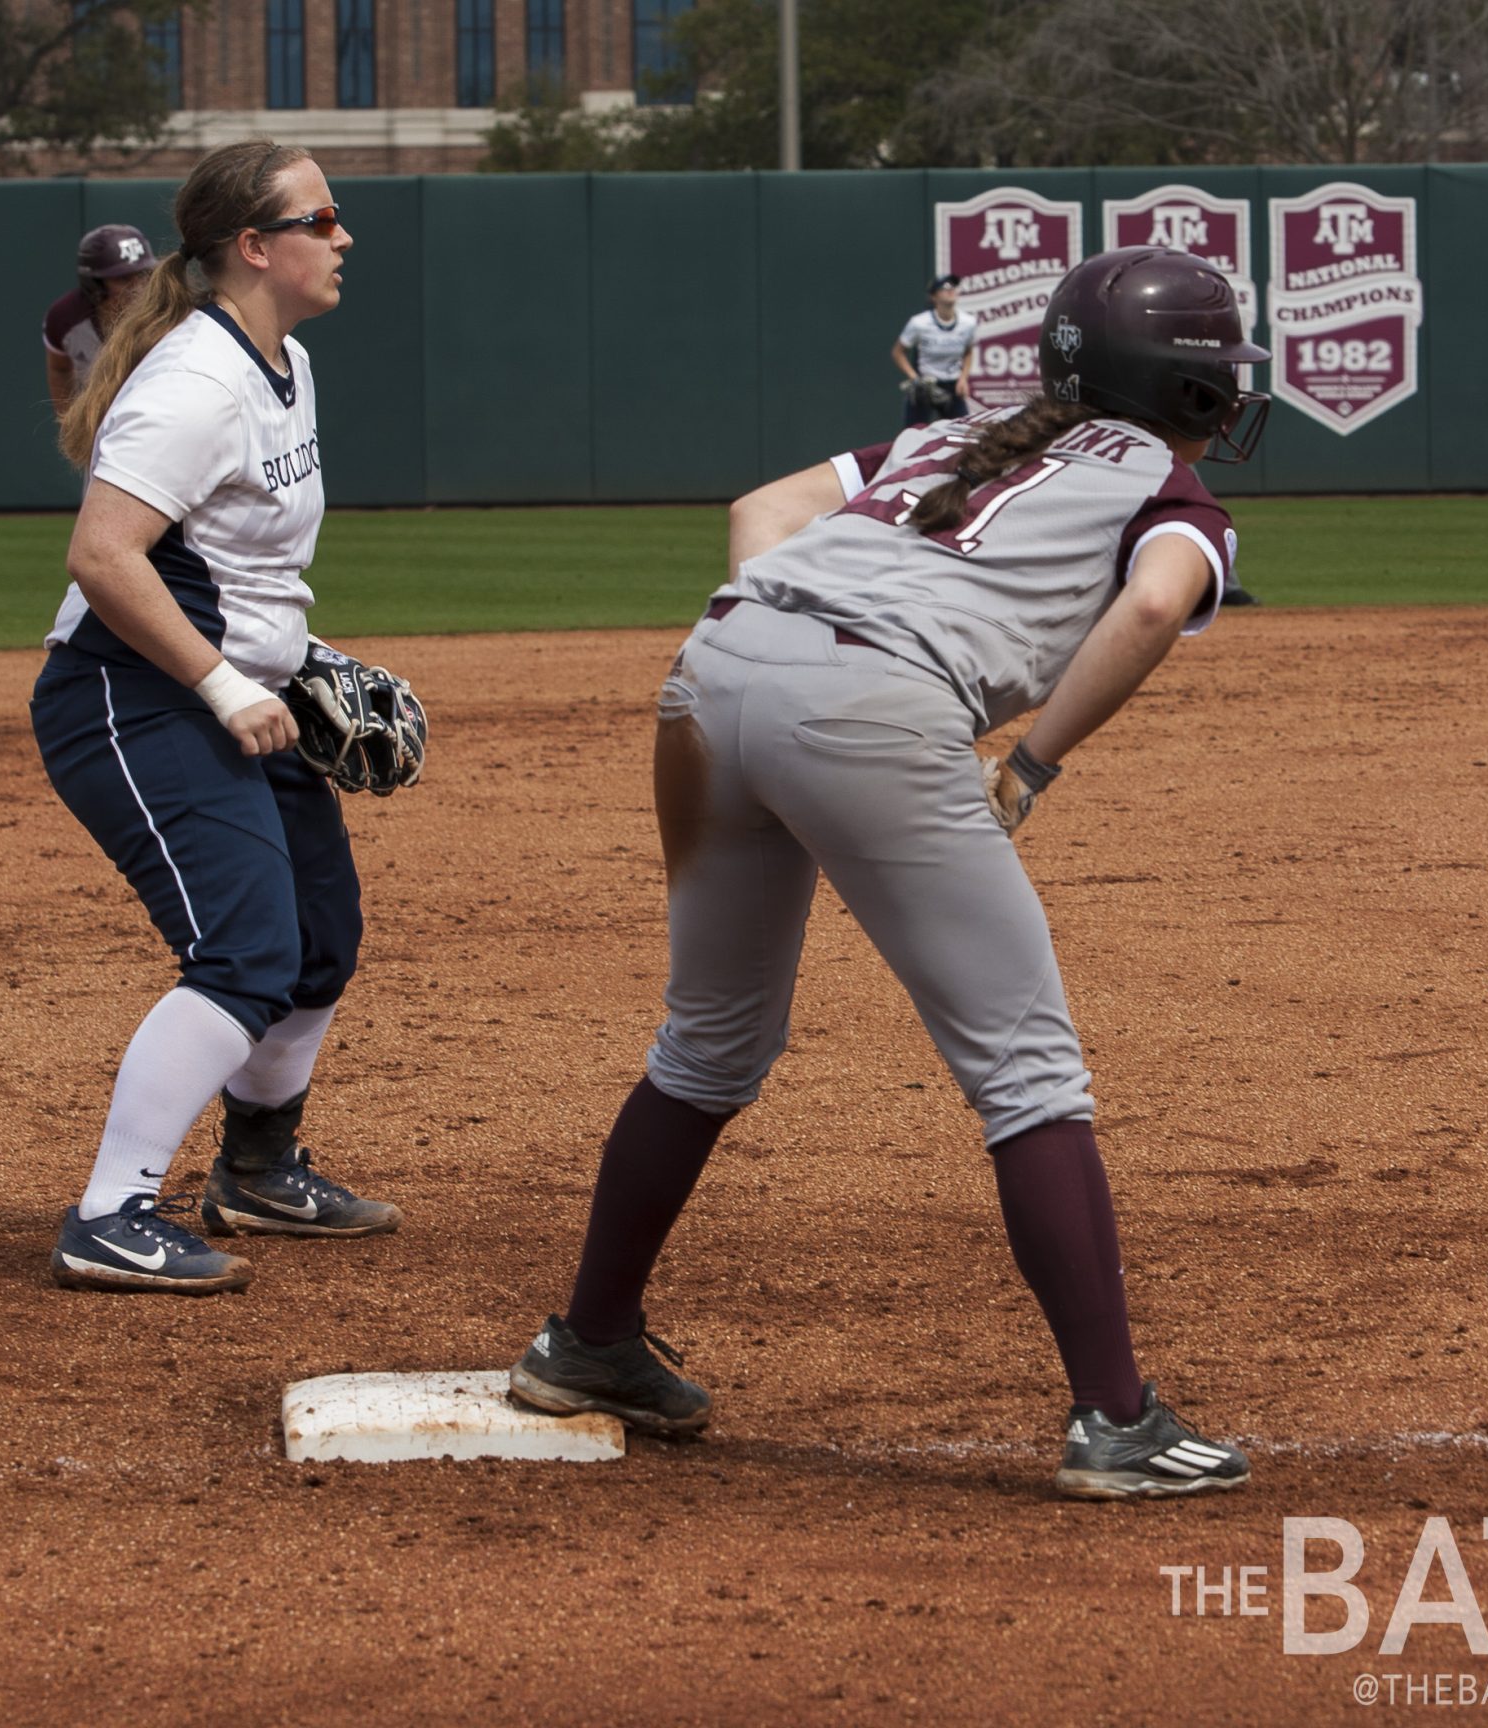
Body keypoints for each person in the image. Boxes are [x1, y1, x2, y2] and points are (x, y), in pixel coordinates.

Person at [506, 247, 1268, 1500]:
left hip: (714, 673)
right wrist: (1029, 762)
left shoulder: (952, 434)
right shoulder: (1173, 497)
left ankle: (588, 1342)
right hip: (868, 709)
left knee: (706, 1047)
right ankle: (1116, 1422)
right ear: (1189, 393)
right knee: (1028, 1072)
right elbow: (1146, 612)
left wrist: (776, 644)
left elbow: (764, 505)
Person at [33, 141, 402, 1295]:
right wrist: (229, 684)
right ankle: (108, 1213)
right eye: (322, 217)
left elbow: (238, 563)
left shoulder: (277, 359)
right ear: (255, 245)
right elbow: (103, 556)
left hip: (230, 690)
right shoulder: (195, 383)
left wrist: (289, 661)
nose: (342, 236)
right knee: (244, 949)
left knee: (319, 940)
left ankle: (256, 1168)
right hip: (130, 696)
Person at [45, 225, 159, 419]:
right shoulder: (65, 319)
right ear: (95, 285)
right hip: (100, 422)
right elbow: (59, 368)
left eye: (143, 275)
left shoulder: (169, 315)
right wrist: (69, 422)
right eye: (123, 278)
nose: (138, 288)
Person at [892, 273, 978, 427]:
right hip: (925, 385)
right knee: (912, 435)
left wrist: (963, 378)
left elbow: (968, 351)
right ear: (934, 296)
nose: (950, 290)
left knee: (963, 431)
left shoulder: (968, 322)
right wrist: (914, 378)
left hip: (953, 385)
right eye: (944, 287)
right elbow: (898, 352)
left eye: (953, 287)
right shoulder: (919, 323)